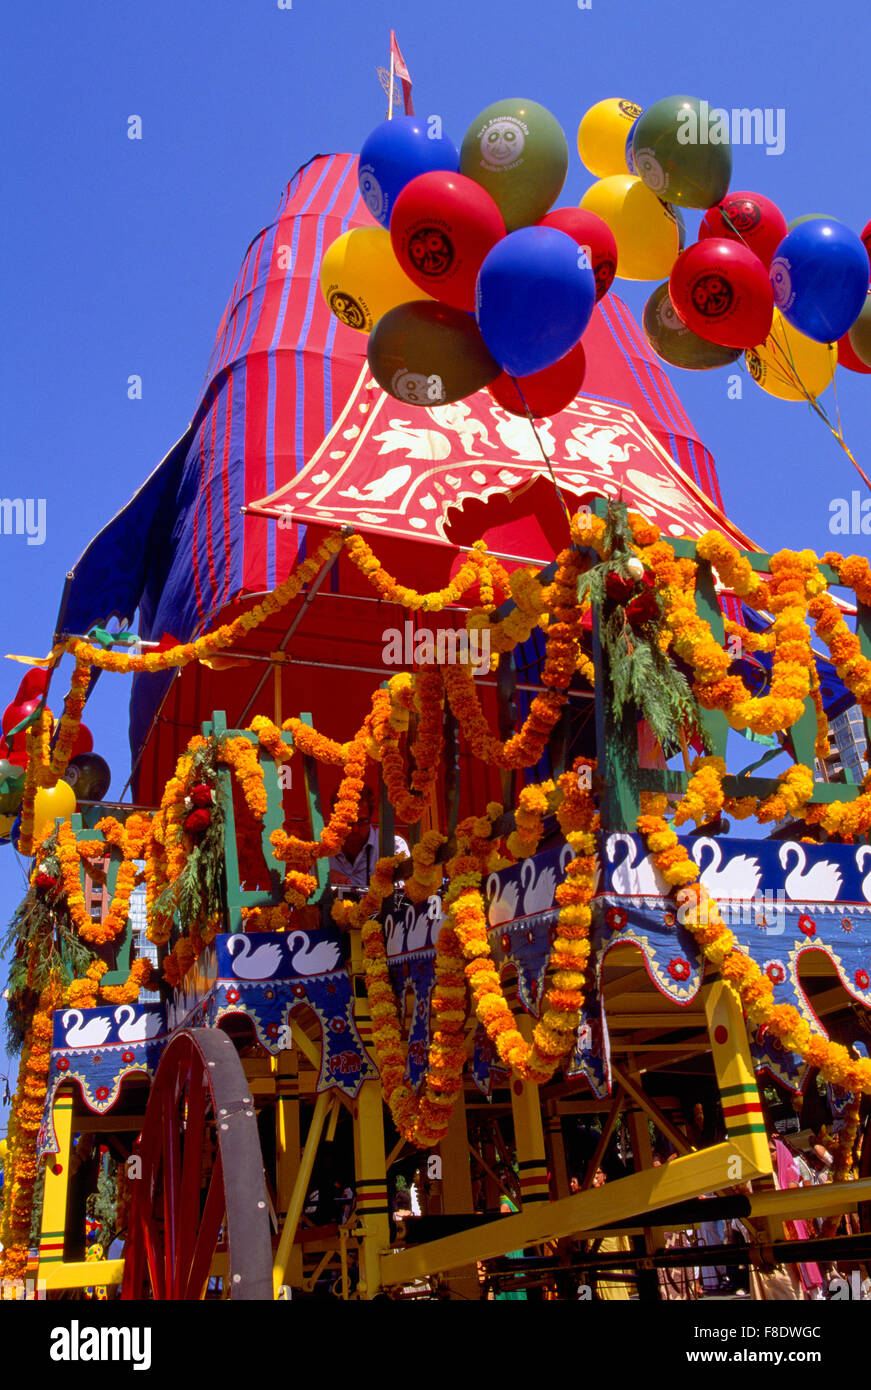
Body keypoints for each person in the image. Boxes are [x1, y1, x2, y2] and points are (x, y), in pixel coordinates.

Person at [328, 784, 409, 890]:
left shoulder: (393, 846)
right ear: (335, 820)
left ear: (371, 818)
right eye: (348, 822)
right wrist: (324, 876)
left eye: (362, 821)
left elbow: (404, 896)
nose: (355, 830)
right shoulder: (322, 852)